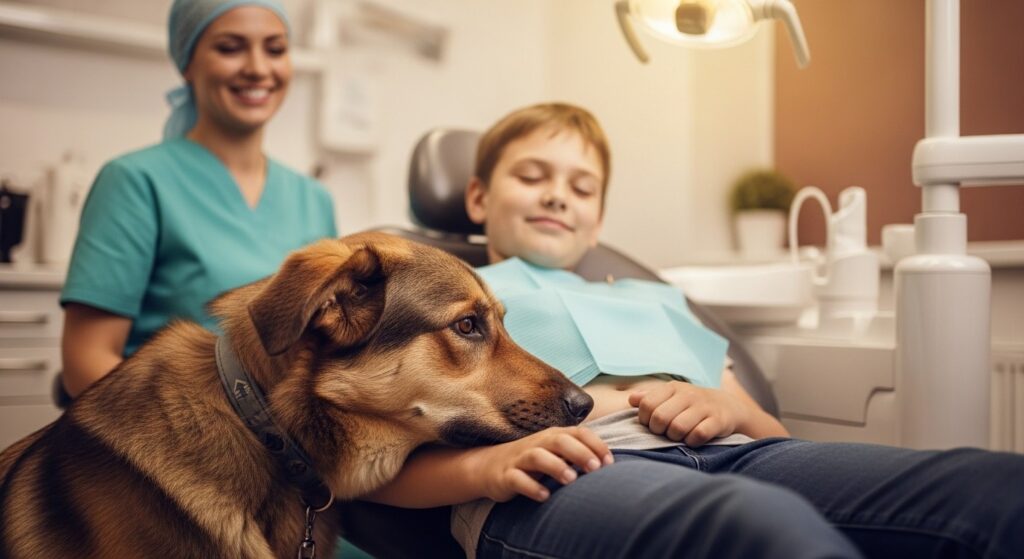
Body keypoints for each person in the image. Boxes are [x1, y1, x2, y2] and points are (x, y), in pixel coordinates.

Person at [365, 103, 1024, 559]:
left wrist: (730, 405)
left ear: (596, 222)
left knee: (989, 489)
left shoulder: (658, 297)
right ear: (479, 198)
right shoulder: (460, 307)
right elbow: (368, 461)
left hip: (743, 453)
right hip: (575, 473)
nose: (558, 195)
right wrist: (485, 467)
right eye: (532, 176)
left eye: (581, 186)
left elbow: (774, 435)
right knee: (763, 527)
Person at [59, 0, 336, 398]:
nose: (258, 68)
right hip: (167, 441)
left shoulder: (314, 198)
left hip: (285, 446)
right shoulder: (135, 181)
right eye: (230, 47)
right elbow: (86, 359)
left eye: (275, 49)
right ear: (188, 63)